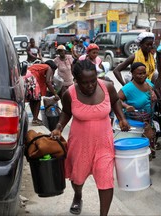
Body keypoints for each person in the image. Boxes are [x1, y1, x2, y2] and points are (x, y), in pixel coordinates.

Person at [51, 59, 130, 216]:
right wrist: (58, 128)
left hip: (104, 143)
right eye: (84, 82)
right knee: (77, 178)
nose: (90, 85)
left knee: (106, 179)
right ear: (76, 80)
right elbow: (66, 112)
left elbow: (115, 101)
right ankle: (78, 195)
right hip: (80, 143)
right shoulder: (69, 93)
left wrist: (122, 118)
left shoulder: (107, 87)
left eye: (93, 80)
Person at [117, 62, 158, 159]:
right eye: (139, 74)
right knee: (136, 153)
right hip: (135, 127)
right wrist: (126, 105)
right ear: (132, 74)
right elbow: (116, 100)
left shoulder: (148, 84)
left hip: (148, 123)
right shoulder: (128, 88)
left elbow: (153, 94)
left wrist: (154, 95)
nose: (142, 75)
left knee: (147, 155)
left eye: (144, 73)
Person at [24, 60, 60, 126]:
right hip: (31, 77)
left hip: (25, 77)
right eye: (53, 71)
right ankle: (35, 119)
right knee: (38, 99)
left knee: (33, 100)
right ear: (52, 68)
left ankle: (35, 118)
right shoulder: (48, 67)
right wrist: (55, 94)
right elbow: (48, 82)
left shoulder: (40, 66)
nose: (53, 73)